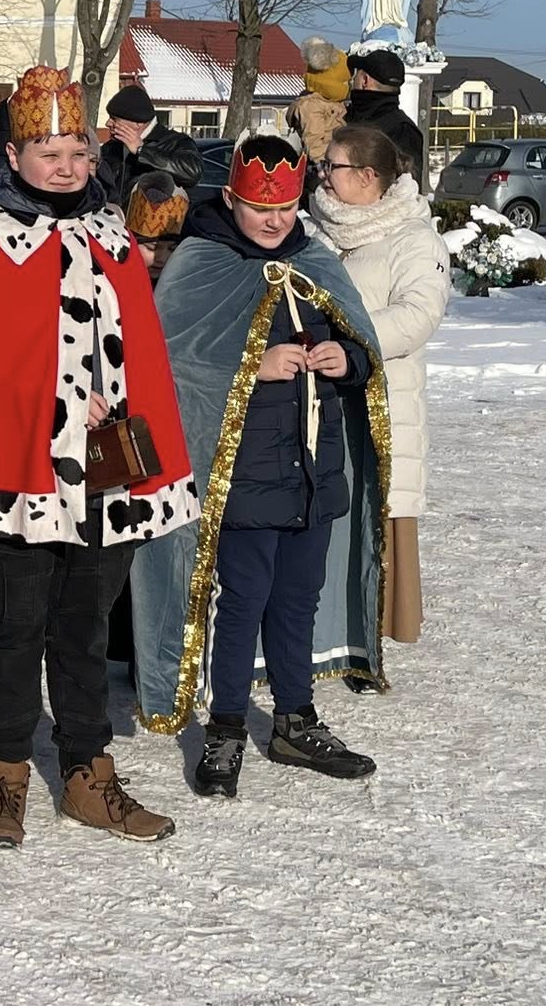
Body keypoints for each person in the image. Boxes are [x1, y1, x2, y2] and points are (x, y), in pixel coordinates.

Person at [0, 66, 198, 850]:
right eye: (49, 152)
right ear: (13, 157)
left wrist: (121, 413)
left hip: (106, 478)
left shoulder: (114, 240)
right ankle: (5, 772)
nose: (68, 166)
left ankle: (87, 770)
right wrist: (57, 408)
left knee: (81, 628)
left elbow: (142, 354)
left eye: (77, 149)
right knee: (12, 627)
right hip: (13, 476)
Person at [137, 136, 385, 799]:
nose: (275, 221)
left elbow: (362, 341)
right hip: (241, 472)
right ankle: (224, 727)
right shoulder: (201, 262)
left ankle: (295, 720)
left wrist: (347, 360)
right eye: (258, 209)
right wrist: (250, 368)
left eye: (285, 208)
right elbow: (171, 362)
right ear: (230, 199)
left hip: (313, 466)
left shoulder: (314, 258)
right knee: (240, 601)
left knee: (297, 599)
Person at [308, 123, 450, 663]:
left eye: (334, 167)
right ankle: (317, 632)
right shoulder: (317, 228)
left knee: (376, 510)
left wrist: (347, 338)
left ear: (369, 177)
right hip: (318, 392)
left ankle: (370, 630)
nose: (323, 175)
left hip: (381, 398)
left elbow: (418, 314)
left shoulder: (413, 237)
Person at [99, 84, 203, 201]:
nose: (108, 123)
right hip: (112, 218)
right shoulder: (111, 148)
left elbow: (192, 173)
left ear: (138, 123)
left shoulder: (175, 142)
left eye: (114, 118)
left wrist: (142, 151)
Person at [345, 46, 426, 185]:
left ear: (365, 81)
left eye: (355, 75)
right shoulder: (345, 116)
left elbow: (406, 190)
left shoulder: (401, 129)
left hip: (378, 206)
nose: (351, 81)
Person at [288, 39, 350, 167]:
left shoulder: (333, 103)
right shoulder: (311, 105)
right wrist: (325, 165)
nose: (348, 86)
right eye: (344, 82)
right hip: (324, 167)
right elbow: (313, 140)